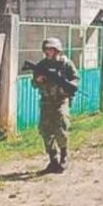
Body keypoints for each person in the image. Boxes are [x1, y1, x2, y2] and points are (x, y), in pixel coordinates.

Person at [30, 37, 80, 173]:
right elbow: (33, 83)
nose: (48, 52)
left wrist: (67, 85)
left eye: (50, 49)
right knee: (45, 131)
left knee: (61, 127)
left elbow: (75, 79)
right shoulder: (41, 65)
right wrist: (38, 80)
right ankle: (53, 160)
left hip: (61, 101)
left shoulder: (66, 64)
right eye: (46, 49)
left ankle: (64, 155)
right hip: (46, 102)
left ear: (57, 50)